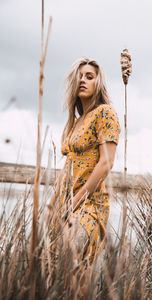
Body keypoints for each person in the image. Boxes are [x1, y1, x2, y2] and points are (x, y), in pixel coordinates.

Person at [47, 58, 121, 264]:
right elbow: (67, 167)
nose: (83, 80)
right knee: (60, 275)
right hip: (65, 203)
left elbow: (106, 163)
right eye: (79, 76)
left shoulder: (105, 113)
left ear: (99, 83)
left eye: (89, 76)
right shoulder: (76, 122)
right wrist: (51, 206)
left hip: (90, 204)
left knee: (70, 259)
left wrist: (75, 202)